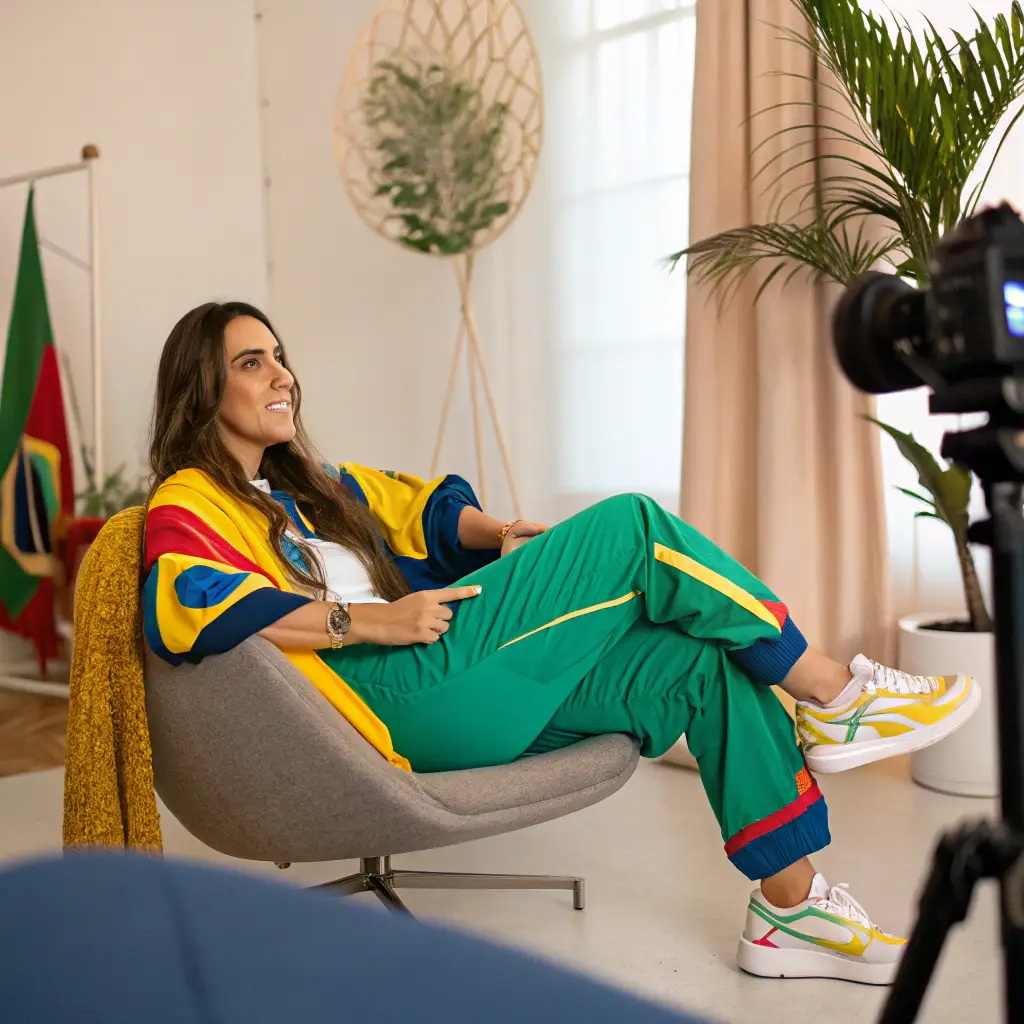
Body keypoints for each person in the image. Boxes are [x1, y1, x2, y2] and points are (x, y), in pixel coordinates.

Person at [143, 301, 981, 987]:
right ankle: (834, 692)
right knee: (634, 527)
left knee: (692, 662)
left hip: (443, 678)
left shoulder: (310, 488)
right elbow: (191, 601)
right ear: (201, 385)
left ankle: (789, 908)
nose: (281, 372)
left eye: (280, 355)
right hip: (384, 694)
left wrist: (502, 530)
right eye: (252, 361)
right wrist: (367, 621)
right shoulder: (193, 497)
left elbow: (422, 508)